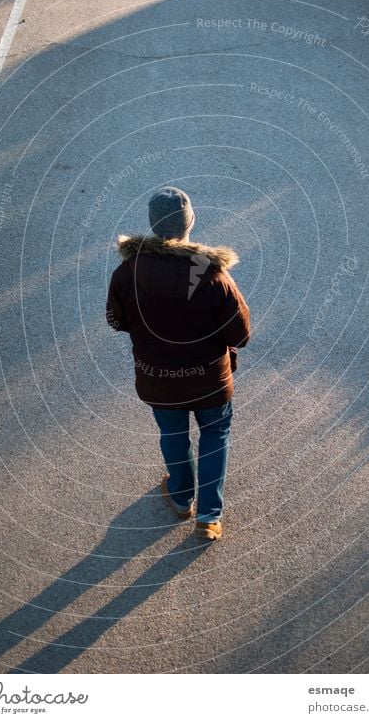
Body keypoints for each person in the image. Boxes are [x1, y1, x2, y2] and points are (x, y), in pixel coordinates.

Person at [106, 186, 251, 541]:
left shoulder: (128, 270)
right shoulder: (212, 273)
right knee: (215, 436)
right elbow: (240, 334)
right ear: (190, 224)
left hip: (158, 378)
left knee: (172, 433)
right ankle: (209, 516)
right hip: (210, 381)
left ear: (152, 224)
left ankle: (182, 495)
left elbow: (115, 320)